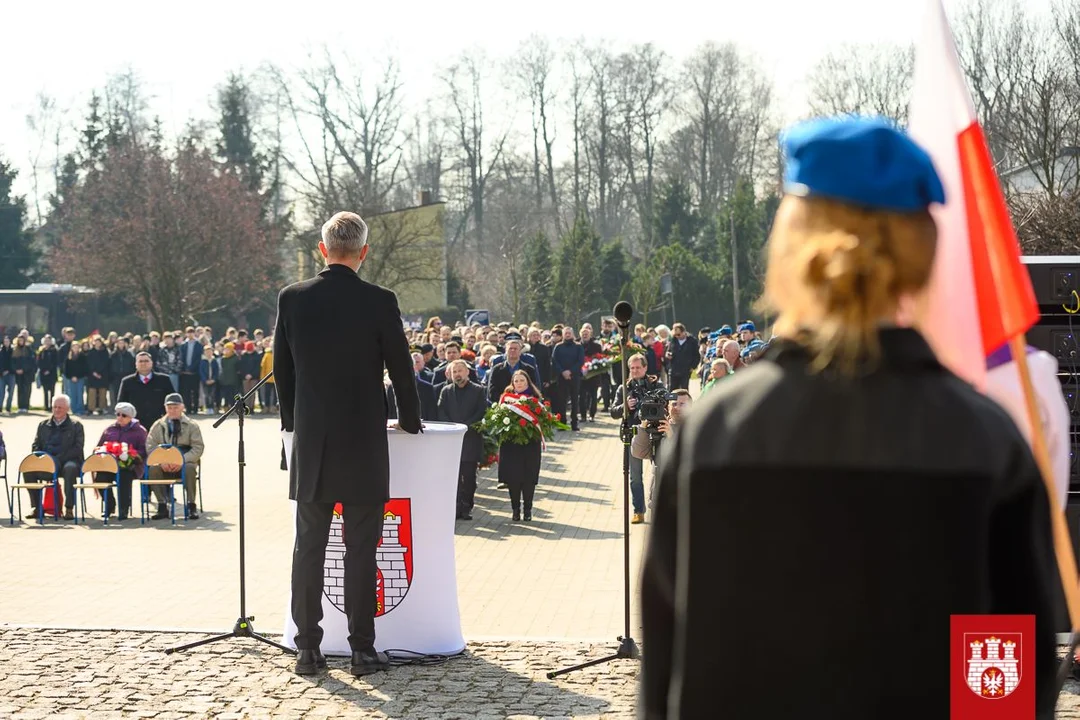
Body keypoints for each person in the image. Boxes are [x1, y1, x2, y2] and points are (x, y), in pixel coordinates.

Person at [641, 116, 1063, 718]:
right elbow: (1007, 687)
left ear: (789, 248)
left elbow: (667, 674)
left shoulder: (713, 434)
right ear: (920, 254)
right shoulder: (984, 441)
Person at [274, 211, 421, 679]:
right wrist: (412, 420)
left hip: (313, 441)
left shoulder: (293, 299)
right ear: (364, 252)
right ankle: (362, 649)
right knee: (362, 549)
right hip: (363, 442)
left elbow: (283, 372)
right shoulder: (380, 300)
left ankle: (308, 650)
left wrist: (291, 428)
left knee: (309, 548)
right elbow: (401, 366)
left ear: (322, 249)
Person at [610, 353, 665, 524]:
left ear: (645, 367)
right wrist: (625, 406)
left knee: (659, 473)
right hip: (633, 434)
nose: (634, 371)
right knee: (634, 476)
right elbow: (613, 412)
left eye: (638, 367)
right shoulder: (623, 388)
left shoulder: (657, 385)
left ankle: (658, 509)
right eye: (632, 368)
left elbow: (667, 405)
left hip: (655, 433)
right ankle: (638, 510)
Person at [436, 359, 489, 520]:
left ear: (467, 372)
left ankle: (467, 506)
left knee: (469, 476)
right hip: (451, 440)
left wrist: (464, 427)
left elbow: (481, 412)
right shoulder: (446, 391)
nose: (457, 374)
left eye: (460, 371)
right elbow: (441, 411)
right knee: (454, 477)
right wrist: (453, 427)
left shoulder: (479, 390)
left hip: (470, 438)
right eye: (454, 372)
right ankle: (456, 506)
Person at [144, 392, 206, 520]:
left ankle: (191, 505)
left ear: (182, 407)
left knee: (190, 468)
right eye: (169, 407)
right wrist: (161, 462)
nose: (172, 410)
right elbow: (150, 446)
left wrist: (181, 460)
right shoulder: (158, 425)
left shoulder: (192, 425)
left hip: (184, 461)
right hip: (164, 462)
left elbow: (198, 447)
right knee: (153, 469)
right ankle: (162, 505)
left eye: (176, 407)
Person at [25, 394, 84, 520]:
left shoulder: (76, 426)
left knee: (70, 469)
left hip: (68, 461)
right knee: (28, 470)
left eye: (60, 408)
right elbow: (36, 445)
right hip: (47, 462)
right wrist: (42, 457)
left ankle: (69, 508)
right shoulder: (43, 425)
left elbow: (77, 448)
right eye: (55, 407)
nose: (57, 410)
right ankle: (37, 507)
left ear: (67, 409)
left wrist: (58, 459)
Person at [496, 370, 544, 522]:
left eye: (522, 381)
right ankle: (515, 509)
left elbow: (542, 420)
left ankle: (528, 510)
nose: (519, 384)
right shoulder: (506, 399)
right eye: (516, 381)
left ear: (528, 382)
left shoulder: (535, 399)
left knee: (528, 479)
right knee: (513, 479)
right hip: (511, 445)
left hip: (530, 444)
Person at [96, 401, 148, 521]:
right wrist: (103, 450)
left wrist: (130, 455)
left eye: (123, 415)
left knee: (124, 477)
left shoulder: (140, 431)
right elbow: (99, 446)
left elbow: (144, 451)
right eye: (118, 414)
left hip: (131, 466)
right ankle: (110, 505)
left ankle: (124, 509)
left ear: (131, 417)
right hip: (109, 465)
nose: (120, 417)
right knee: (100, 478)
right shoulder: (110, 429)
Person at [117, 352, 174, 431]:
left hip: (159, 423)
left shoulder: (164, 380)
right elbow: (121, 404)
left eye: (146, 361)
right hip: (134, 424)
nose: (143, 363)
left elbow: (172, 401)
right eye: (140, 361)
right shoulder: (127, 382)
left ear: (152, 363)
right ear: (136, 364)